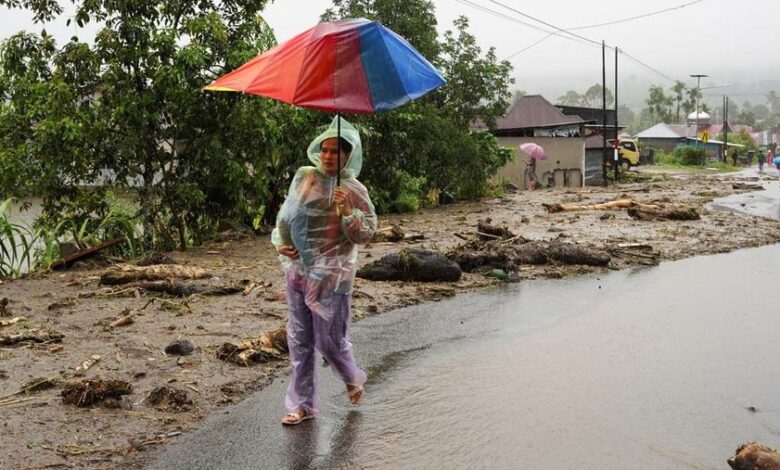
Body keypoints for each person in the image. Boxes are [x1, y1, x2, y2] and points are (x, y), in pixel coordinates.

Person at [271, 116, 377, 426]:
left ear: (348, 156)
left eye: (335, 151)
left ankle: (351, 378)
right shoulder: (305, 177)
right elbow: (286, 216)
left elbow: (365, 234)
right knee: (299, 340)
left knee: (330, 341)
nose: (328, 156)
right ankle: (302, 405)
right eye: (325, 150)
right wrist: (281, 244)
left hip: (333, 276)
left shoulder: (354, 189)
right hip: (298, 272)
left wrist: (348, 211)